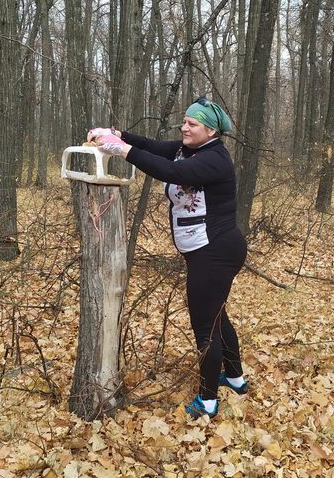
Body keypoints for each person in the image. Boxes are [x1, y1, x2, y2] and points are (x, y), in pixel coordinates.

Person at [87, 97, 248, 419]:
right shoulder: (188, 148)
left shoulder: (215, 159)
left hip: (215, 250)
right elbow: (152, 145)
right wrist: (117, 133)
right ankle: (235, 377)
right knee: (217, 316)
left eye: (193, 124)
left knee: (205, 326)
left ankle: (208, 401)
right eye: (184, 122)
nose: (184, 128)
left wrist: (119, 149)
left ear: (211, 130)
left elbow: (170, 171)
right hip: (206, 249)